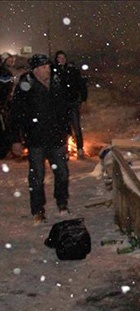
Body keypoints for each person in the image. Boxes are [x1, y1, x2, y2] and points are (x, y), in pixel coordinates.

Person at [10, 54, 70, 225]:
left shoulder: (56, 82)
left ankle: (62, 203)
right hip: (36, 138)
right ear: (35, 70)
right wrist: (16, 139)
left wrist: (66, 132)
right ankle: (38, 210)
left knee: (63, 173)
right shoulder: (26, 84)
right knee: (37, 175)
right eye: (44, 67)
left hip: (56, 137)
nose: (48, 70)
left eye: (48, 67)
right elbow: (16, 113)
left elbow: (63, 109)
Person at [53, 50, 88, 158]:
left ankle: (80, 149)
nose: (62, 60)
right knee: (63, 127)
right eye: (59, 58)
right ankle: (65, 150)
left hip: (72, 102)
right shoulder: (54, 72)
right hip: (60, 104)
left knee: (76, 126)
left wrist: (82, 98)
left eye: (63, 57)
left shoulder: (72, 70)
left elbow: (81, 85)